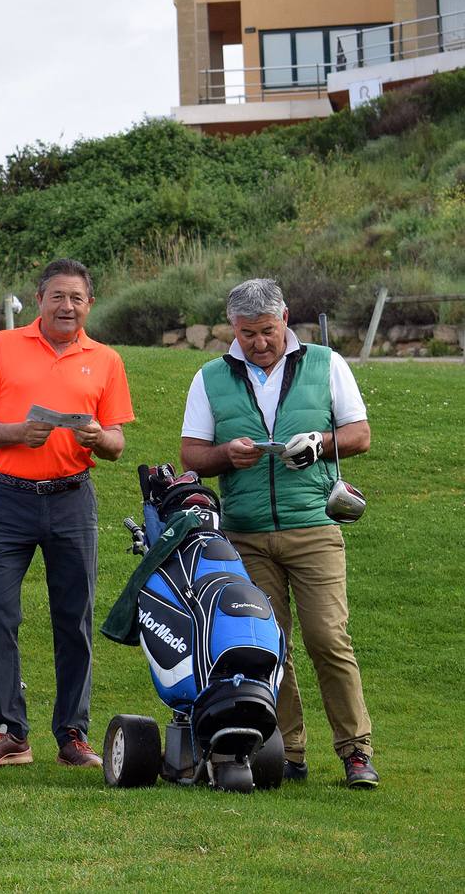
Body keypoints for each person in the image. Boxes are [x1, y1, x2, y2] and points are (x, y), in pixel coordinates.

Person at [180, 278, 378, 789]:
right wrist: (227, 455)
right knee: (270, 648)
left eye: (267, 331)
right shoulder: (208, 378)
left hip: (314, 525)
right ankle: (286, 752)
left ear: (285, 318)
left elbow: (359, 435)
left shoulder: (326, 363)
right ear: (233, 329)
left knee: (327, 637)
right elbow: (192, 455)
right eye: (248, 334)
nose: (259, 343)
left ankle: (356, 753)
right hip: (244, 535)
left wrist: (320, 443)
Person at [0, 258, 134, 769]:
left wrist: (99, 437)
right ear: (39, 300)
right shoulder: (0, 346)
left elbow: (118, 444)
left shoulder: (105, 360)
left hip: (72, 500)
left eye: (76, 298)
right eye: (57, 296)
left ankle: (73, 735)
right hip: (8, 499)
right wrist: (18, 432)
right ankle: (9, 731)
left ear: (89, 304)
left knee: (73, 619)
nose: (67, 306)